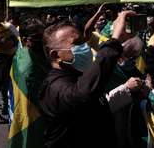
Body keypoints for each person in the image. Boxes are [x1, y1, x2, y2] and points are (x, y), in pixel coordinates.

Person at [39, 11, 134, 148]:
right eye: (76, 43)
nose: (84, 46)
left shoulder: (75, 74)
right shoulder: (54, 86)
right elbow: (82, 94)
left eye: (83, 41)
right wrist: (114, 40)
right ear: (56, 55)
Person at [8, 18, 49, 148]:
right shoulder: (29, 69)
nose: (43, 41)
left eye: (45, 36)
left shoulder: (23, 53)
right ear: (25, 40)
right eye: (37, 38)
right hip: (33, 120)